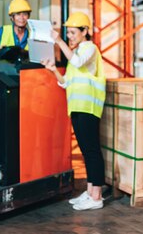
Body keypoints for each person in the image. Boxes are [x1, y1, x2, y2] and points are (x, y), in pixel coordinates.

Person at [41, 12, 106, 211]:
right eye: (67, 33)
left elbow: (78, 63)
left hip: (89, 108)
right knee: (87, 151)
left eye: (72, 32)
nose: (70, 36)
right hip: (77, 108)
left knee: (92, 151)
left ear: (85, 31)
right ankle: (89, 191)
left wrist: (58, 40)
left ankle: (97, 196)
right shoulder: (76, 53)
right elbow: (66, 82)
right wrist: (53, 70)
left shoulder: (90, 49)